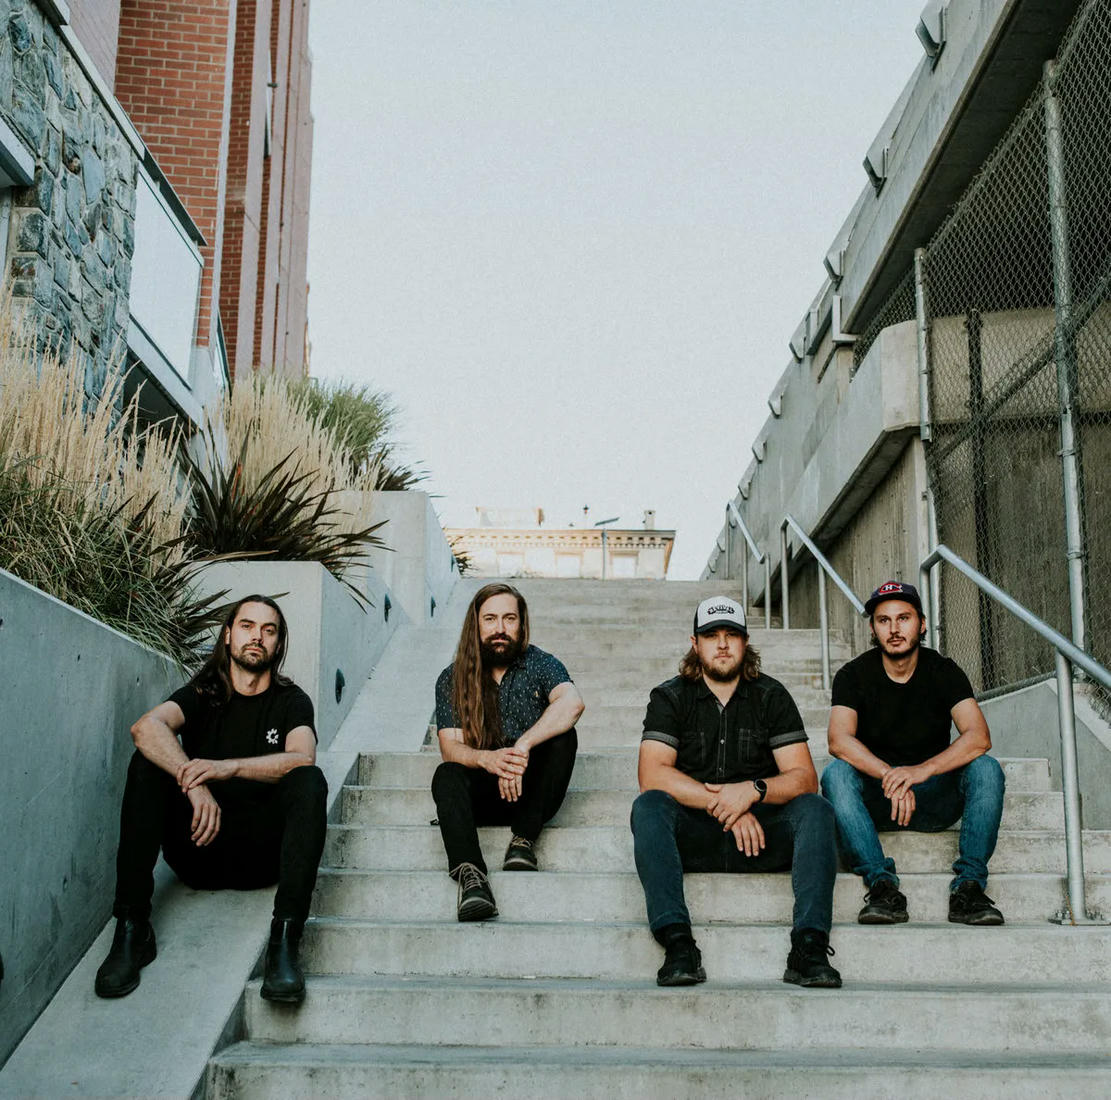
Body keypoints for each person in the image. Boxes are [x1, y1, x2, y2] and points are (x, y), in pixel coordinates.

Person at [94, 595, 328, 1004]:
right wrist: (194, 784)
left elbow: (301, 757)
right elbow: (145, 728)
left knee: (309, 780)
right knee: (147, 764)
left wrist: (227, 768)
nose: (257, 637)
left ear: (278, 643)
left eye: (268, 630)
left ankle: (284, 942)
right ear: (228, 635)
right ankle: (132, 926)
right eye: (247, 626)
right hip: (198, 850)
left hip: (261, 857)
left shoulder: (291, 701)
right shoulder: (203, 693)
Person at [631, 596, 841, 989]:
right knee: (649, 806)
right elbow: (652, 774)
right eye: (712, 635)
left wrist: (754, 791)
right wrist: (727, 802)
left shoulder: (771, 695)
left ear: (745, 642)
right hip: (696, 836)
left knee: (816, 809)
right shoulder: (670, 697)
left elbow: (803, 778)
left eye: (732, 635)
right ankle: (678, 945)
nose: (723, 644)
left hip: (759, 839)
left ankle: (808, 948)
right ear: (695, 643)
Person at [821, 580, 1005, 926]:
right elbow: (838, 740)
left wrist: (920, 772)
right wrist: (891, 776)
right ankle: (882, 886)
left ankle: (968, 889)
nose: (894, 629)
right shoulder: (852, 675)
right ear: (873, 629)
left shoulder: (943, 671)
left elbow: (978, 736)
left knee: (986, 768)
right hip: (877, 799)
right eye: (883, 620)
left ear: (921, 624)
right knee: (836, 774)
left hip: (932, 798)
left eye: (903, 618)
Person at [431, 582, 584, 921]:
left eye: (509, 618)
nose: (500, 628)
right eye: (490, 619)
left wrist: (522, 747)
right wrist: (487, 759)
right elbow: (450, 746)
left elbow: (572, 703)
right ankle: (472, 878)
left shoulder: (541, 663)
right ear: (476, 624)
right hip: (483, 793)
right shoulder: (452, 678)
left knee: (564, 737)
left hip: (532, 792)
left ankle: (523, 841)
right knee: (446, 774)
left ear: (521, 623)